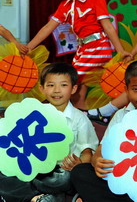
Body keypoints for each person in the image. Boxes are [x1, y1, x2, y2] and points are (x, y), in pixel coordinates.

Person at [24, 0, 130, 109]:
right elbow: (48, 27)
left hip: (97, 47)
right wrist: (28, 47)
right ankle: (83, 112)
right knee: (80, 83)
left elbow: (107, 26)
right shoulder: (66, 4)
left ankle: (74, 111)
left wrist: (120, 51)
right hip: (83, 48)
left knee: (70, 79)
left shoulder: (96, 0)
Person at [70, 60, 137, 201]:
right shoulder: (121, 115)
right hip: (123, 173)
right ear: (126, 90)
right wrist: (97, 161)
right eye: (135, 89)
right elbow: (101, 149)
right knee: (80, 172)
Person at [0, 62, 98, 202]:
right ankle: (37, 197)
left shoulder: (79, 118)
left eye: (63, 85)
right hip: (32, 165)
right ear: (42, 88)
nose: (57, 90)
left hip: (60, 171)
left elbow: (88, 150)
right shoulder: (33, 113)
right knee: (4, 169)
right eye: (51, 85)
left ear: (74, 88)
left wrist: (79, 166)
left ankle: (35, 192)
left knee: (62, 179)